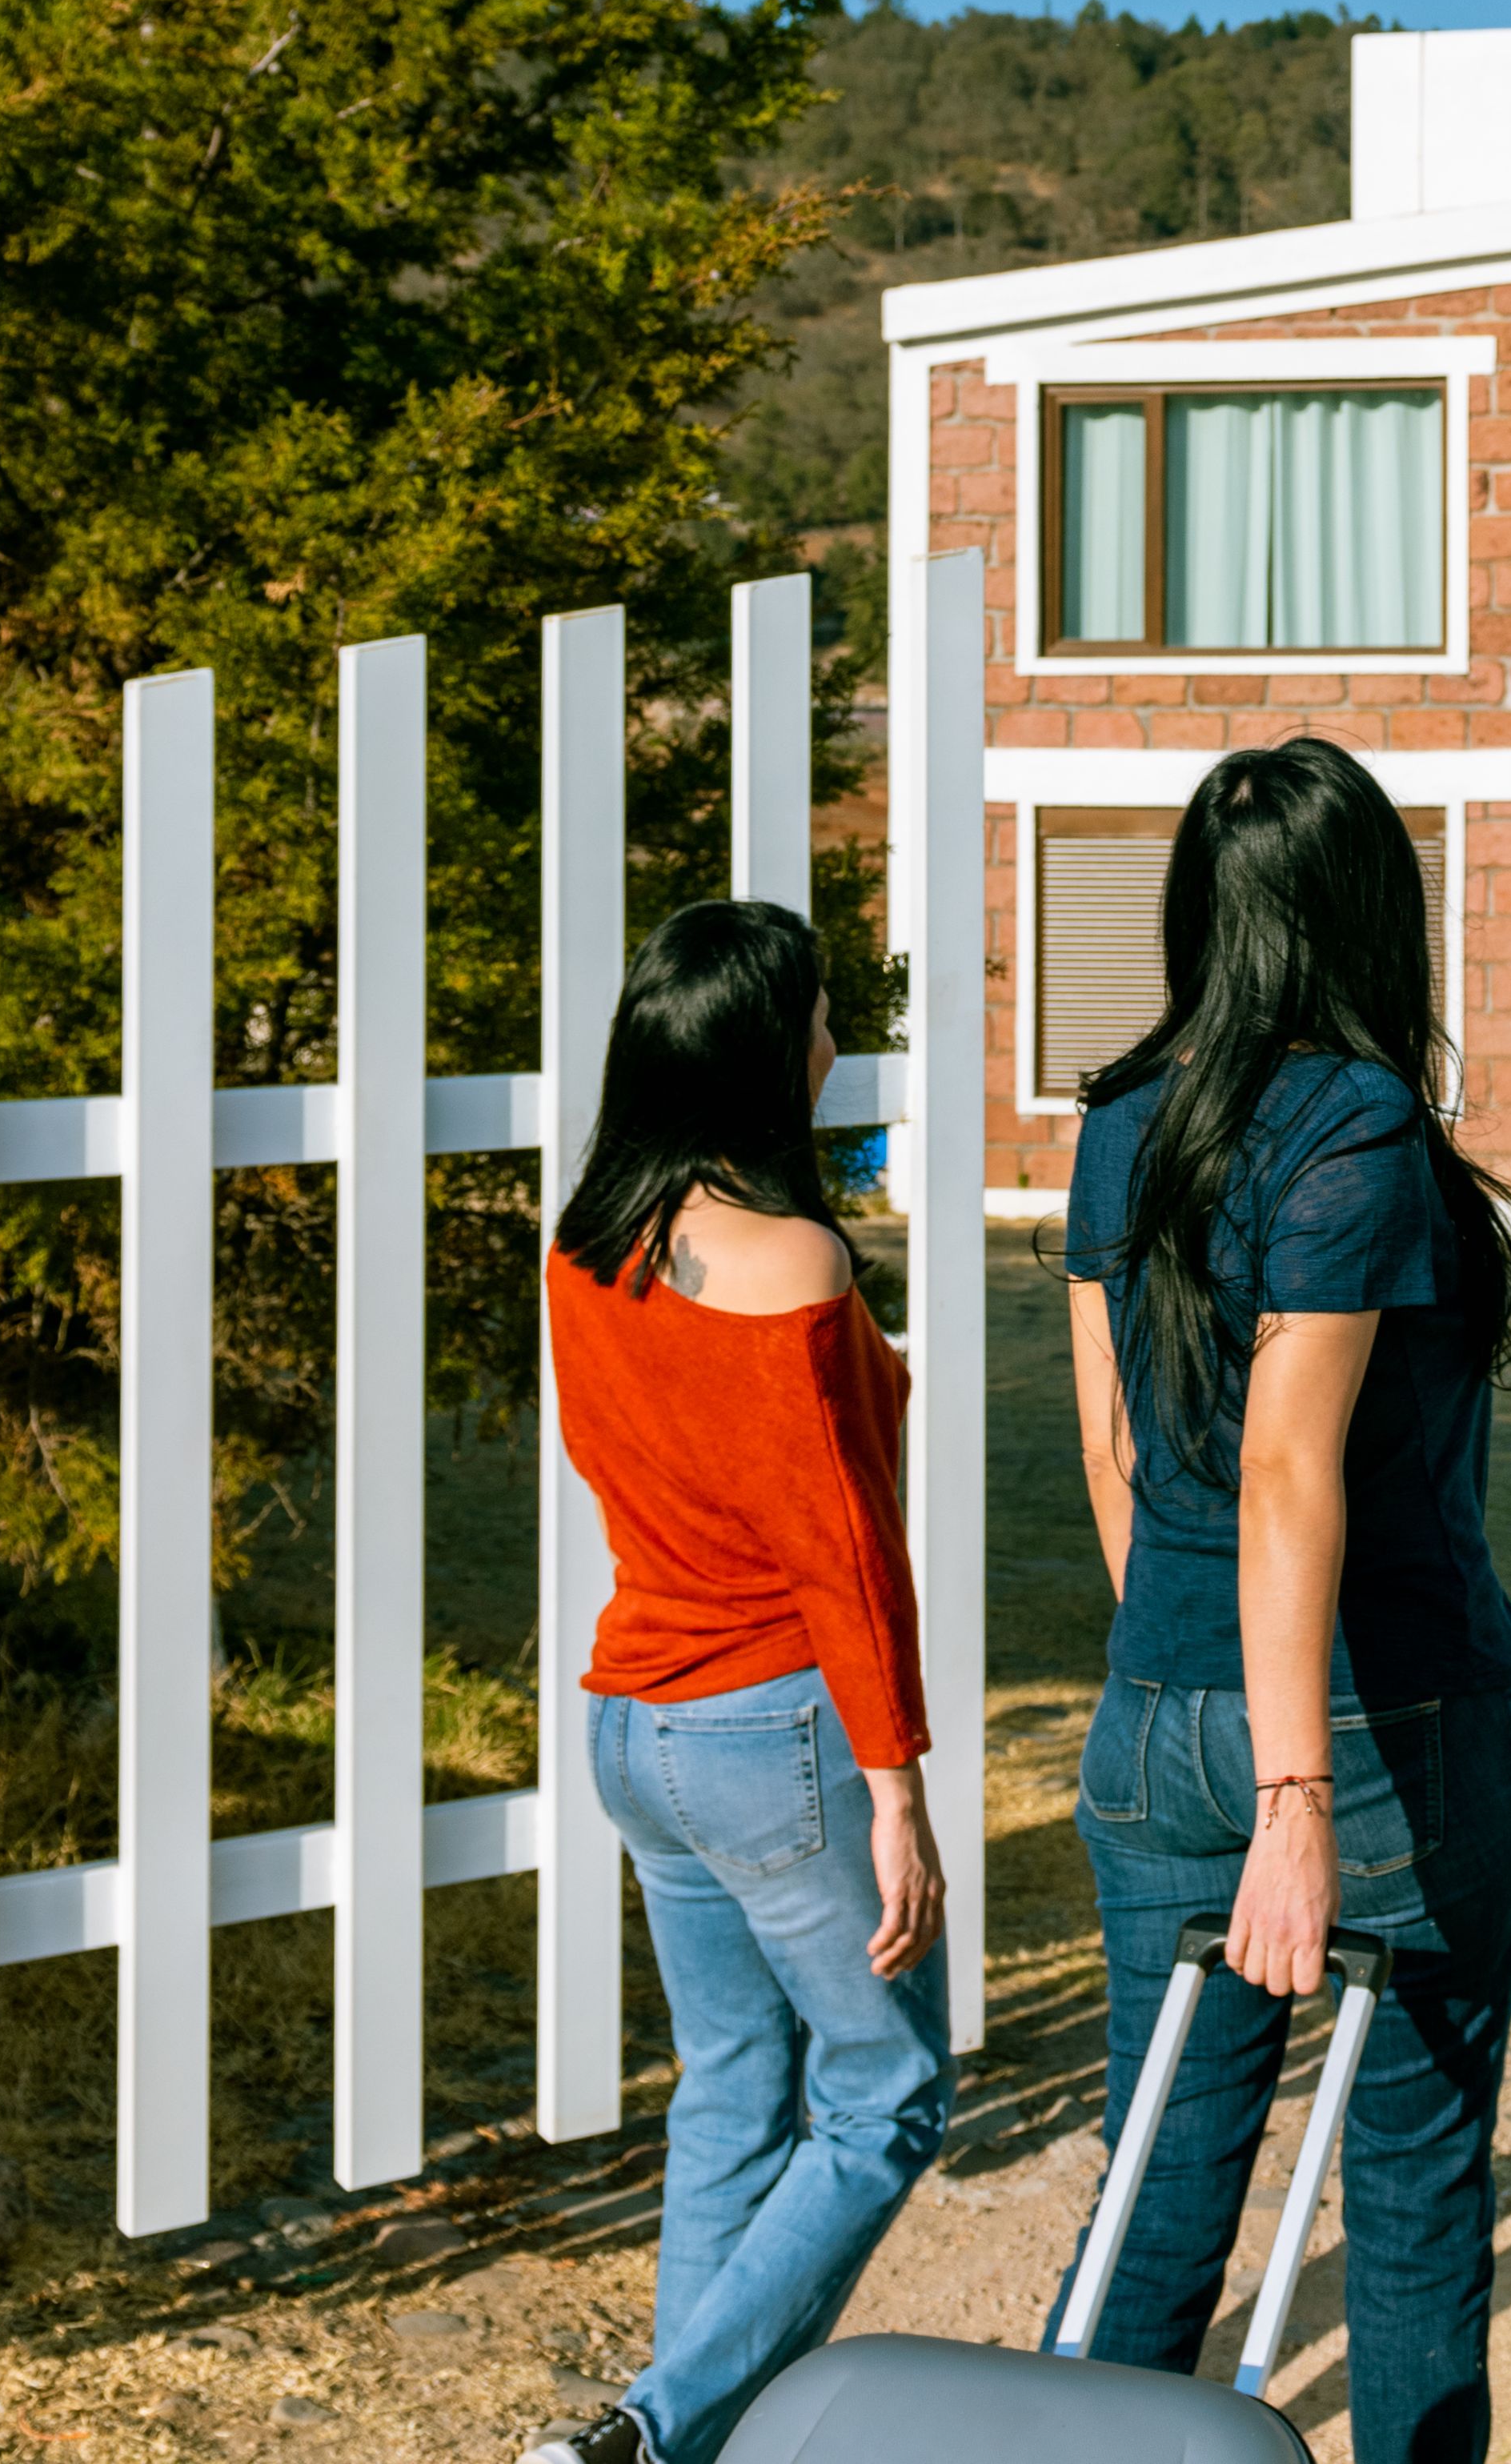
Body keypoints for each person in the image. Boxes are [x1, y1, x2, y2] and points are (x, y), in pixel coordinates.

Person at [1051, 735, 1511, 2464]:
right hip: (1370, 1736)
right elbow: (1284, 1466)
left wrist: (1181, 1673)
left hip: (1158, 1711)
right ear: (1367, 918)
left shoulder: (1121, 1114)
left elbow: (1110, 1441)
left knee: (1156, 2194)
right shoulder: (1359, 1127)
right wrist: (1293, 1792)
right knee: (1408, 2182)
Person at [527, 901, 948, 2464]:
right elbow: (843, 1557)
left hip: (632, 1716)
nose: (837, 1040)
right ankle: (653, 2426)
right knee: (887, 2093)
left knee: (731, 2085)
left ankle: (663, 2455)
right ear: (762, 1053)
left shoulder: (588, 1246)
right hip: (772, 1723)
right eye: (822, 1016)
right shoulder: (796, 1263)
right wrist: (898, 1793)